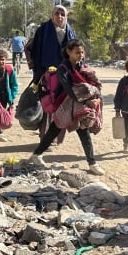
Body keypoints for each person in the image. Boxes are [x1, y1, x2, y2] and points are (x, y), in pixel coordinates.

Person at [27, 39, 106, 176]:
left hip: (79, 103)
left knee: (80, 131)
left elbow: (91, 83)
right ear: (69, 52)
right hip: (65, 103)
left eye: (82, 52)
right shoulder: (63, 68)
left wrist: (95, 97)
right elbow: (69, 89)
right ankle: (37, 154)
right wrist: (86, 102)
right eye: (77, 52)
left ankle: (92, 162)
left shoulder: (82, 66)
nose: (80, 55)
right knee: (55, 130)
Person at [28, 5, 76, 146]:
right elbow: (34, 50)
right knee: (47, 106)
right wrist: (39, 71)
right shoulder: (43, 30)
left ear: (66, 16)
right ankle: (45, 137)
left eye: (62, 14)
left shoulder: (70, 32)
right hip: (46, 75)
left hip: (64, 75)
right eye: (57, 13)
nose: (59, 16)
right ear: (52, 15)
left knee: (62, 106)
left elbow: (77, 52)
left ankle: (56, 138)